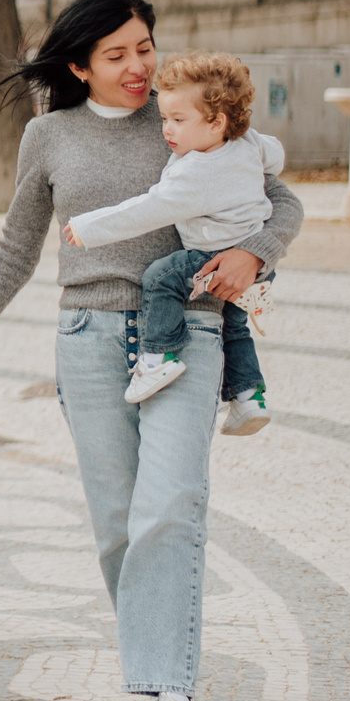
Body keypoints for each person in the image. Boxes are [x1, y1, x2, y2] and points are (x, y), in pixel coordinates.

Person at [0, 0, 302, 701]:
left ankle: (171, 696)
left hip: (186, 328)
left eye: (145, 46)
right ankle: (157, 686)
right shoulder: (48, 136)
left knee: (169, 506)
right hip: (85, 335)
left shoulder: (189, 116)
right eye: (117, 54)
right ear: (79, 65)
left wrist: (255, 254)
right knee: (119, 524)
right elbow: (20, 246)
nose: (139, 66)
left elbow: (279, 202)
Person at [61, 50, 277, 431]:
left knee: (160, 278)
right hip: (255, 265)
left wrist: (87, 227)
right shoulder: (248, 143)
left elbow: (146, 210)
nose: (167, 130)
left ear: (216, 123)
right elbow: (275, 156)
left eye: (178, 120)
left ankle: (159, 357)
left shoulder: (194, 173)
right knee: (235, 327)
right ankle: (248, 396)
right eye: (164, 118)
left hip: (211, 258)